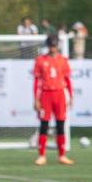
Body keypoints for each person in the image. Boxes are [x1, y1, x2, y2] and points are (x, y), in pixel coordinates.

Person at [33, 34, 73, 165]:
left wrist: (71, 96)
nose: (52, 48)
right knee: (44, 124)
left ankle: (62, 155)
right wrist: (36, 99)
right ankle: (41, 155)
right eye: (50, 45)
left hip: (60, 94)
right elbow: (36, 81)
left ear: (57, 46)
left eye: (54, 45)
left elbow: (67, 80)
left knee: (60, 124)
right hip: (46, 94)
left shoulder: (63, 60)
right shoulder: (40, 60)